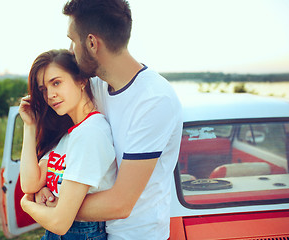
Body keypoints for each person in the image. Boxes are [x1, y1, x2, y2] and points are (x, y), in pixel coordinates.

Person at [31, 0, 183, 239]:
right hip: (98, 232)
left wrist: (59, 207)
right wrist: (47, 187)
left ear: (92, 43)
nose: (71, 49)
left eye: (73, 40)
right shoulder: (95, 85)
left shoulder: (154, 101)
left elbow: (120, 204)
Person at [19, 49, 117, 240]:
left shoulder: (91, 133)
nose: (50, 95)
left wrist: (27, 205)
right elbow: (30, 183)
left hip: (81, 232)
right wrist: (29, 126)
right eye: (43, 89)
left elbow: (60, 222)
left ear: (81, 80)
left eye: (56, 83)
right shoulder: (68, 134)